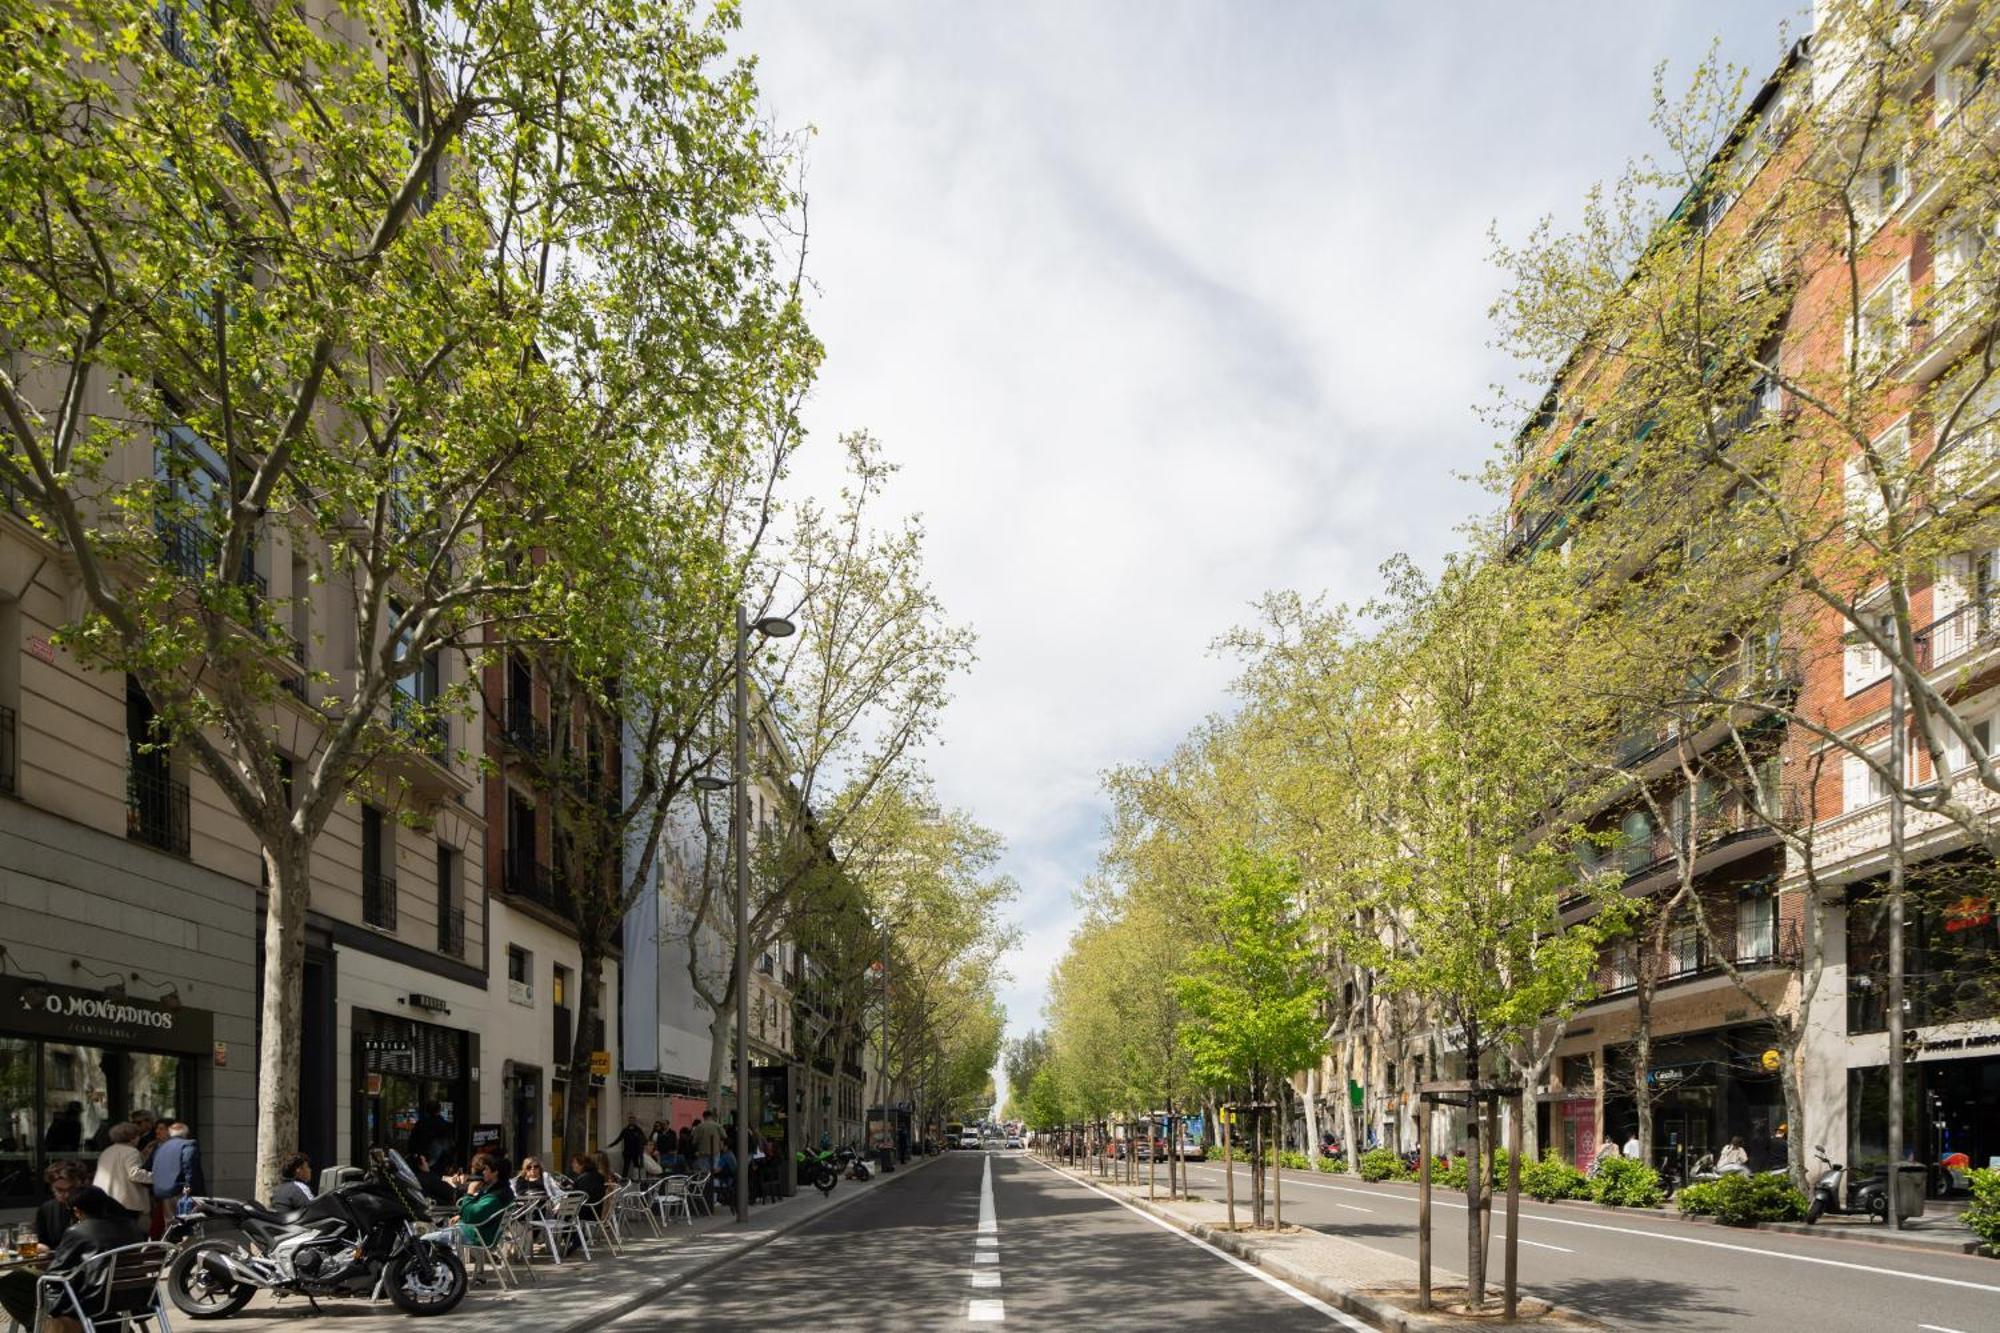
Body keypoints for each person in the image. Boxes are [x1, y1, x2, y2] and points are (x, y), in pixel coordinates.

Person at [0, 1186, 144, 1331]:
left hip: (93, 1297)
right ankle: (109, 1326)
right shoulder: (134, 1228)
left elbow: (54, 1275)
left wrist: (48, 1261)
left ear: (77, 1210)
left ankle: (42, 1327)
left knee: (10, 1282)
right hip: (136, 1295)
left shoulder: (79, 1231)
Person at [91, 1123, 152, 1215]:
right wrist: (158, 1177)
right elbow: (135, 1174)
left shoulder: (107, 1151)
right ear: (132, 1137)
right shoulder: (132, 1152)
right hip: (126, 1202)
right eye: (137, 1135)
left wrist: (143, 1156)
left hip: (106, 1198)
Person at [455, 1156, 513, 1248]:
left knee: (428, 1239)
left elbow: (471, 1216)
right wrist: (460, 1215)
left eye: (486, 1169)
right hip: (482, 1233)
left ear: (495, 1172)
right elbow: (475, 1209)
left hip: (476, 1236)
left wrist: (470, 1192)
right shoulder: (502, 1190)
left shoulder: (495, 1196)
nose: (483, 1172)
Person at [151, 1122, 205, 1212]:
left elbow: (155, 1167)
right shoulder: (188, 1144)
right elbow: (189, 1167)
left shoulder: (161, 1147)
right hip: (181, 1193)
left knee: (171, 1223)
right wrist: (189, 1188)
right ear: (186, 1133)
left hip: (164, 1193)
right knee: (188, 1221)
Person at [34, 1162, 87, 1247]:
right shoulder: (46, 1209)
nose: (66, 1195)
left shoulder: (93, 1205)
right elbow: (42, 1242)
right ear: (51, 1187)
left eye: (71, 1189)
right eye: (59, 1190)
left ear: (82, 1184)